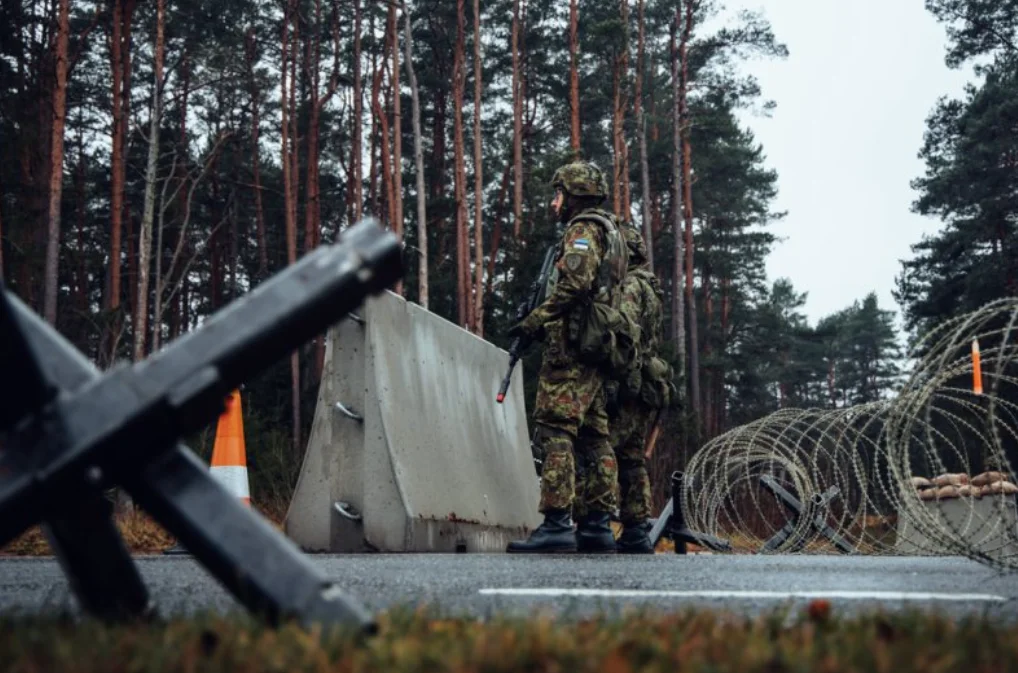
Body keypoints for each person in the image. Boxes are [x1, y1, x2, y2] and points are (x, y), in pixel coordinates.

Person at [505, 161, 627, 554]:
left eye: (559, 193)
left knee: (555, 430)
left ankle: (557, 523)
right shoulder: (610, 232)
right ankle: (597, 526)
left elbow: (573, 285)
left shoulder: (583, 231)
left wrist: (533, 322)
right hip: (594, 349)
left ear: (574, 195)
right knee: (594, 437)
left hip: (572, 349)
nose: (554, 202)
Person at [608, 225, 666, 554]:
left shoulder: (630, 286)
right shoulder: (651, 288)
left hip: (628, 380)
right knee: (631, 458)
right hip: (644, 383)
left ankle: (595, 521)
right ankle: (636, 528)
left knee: (601, 449)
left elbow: (624, 330)